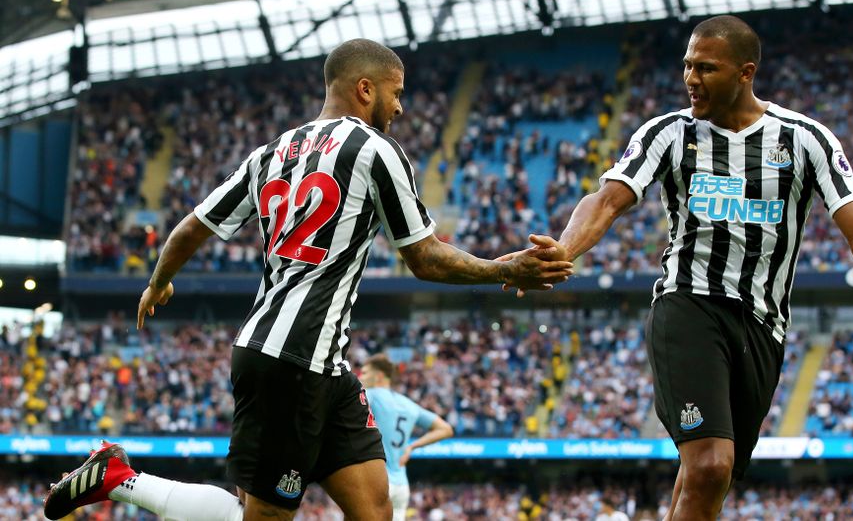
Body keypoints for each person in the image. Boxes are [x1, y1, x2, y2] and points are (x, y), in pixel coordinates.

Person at [44, 38, 573, 521]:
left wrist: (159, 282)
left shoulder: (269, 153)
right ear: (365, 89)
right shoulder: (375, 149)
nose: (400, 107)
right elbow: (425, 258)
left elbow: (191, 226)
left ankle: (121, 477)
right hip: (290, 359)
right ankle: (120, 479)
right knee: (260, 515)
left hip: (323, 364)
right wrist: (507, 269)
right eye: (396, 93)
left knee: (375, 508)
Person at [504, 15, 853, 520]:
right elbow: (607, 201)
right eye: (687, 66)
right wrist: (564, 251)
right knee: (708, 464)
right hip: (688, 305)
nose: (691, 78)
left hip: (763, 327)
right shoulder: (669, 133)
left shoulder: (805, 139)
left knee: (706, 476)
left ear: (745, 72)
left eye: (706, 68)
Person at [360, 353, 453, 521]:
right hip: (401, 485)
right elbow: (445, 429)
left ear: (379, 376)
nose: (360, 377)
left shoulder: (370, 394)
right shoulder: (409, 404)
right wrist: (412, 446)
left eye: (365, 373)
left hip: (378, 482)